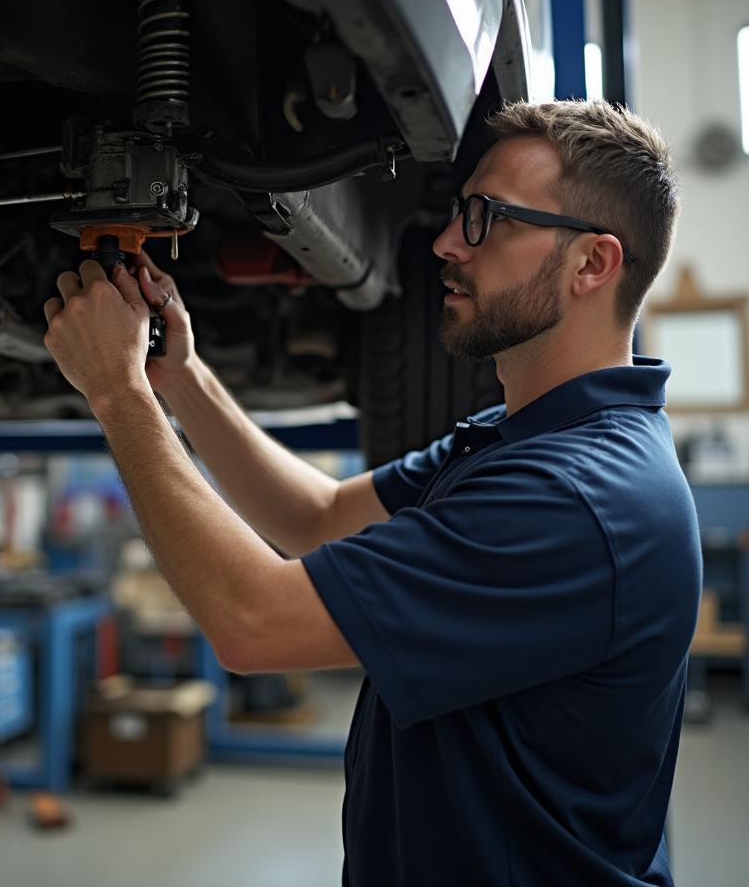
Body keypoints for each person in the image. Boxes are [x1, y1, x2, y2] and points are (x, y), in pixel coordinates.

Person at [43, 99, 701, 886]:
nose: (446, 241)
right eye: (460, 211)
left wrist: (118, 397)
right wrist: (178, 379)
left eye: (486, 218)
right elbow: (315, 517)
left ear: (593, 264)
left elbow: (253, 624)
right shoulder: (521, 440)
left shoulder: (576, 499)